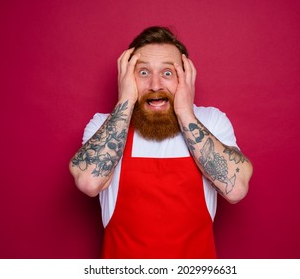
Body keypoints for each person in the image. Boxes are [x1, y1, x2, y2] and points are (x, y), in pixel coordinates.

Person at [69, 26, 253, 259]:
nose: (155, 85)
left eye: (168, 73)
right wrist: (125, 98)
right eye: (143, 73)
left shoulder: (211, 122)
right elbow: (88, 182)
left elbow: (236, 189)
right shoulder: (104, 125)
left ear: (185, 77)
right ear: (127, 77)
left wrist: (185, 111)